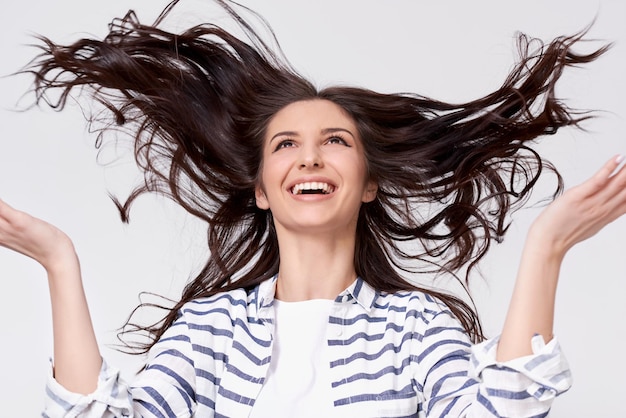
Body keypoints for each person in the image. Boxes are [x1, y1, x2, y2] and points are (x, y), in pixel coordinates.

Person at [0, 0, 622, 416]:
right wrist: (59, 261)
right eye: (286, 145)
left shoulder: (415, 327)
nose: (310, 159)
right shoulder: (209, 331)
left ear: (369, 183)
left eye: (336, 142)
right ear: (264, 190)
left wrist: (548, 247)